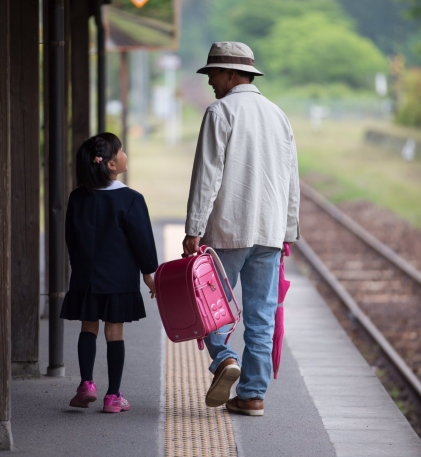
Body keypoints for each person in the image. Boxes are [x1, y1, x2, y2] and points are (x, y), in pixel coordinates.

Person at [183, 42, 299, 417]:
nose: (211, 81)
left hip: (227, 232)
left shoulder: (220, 111)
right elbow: (291, 181)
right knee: (261, 316)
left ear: (232, 74)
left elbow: (207, 176)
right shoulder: (278, 115)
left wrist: (194, 228)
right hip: (269, 233)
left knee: (205, 307)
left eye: (214, 73)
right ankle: (252, 395)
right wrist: (288, 231)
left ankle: (225, 360)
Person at [60, 132, 158, 413]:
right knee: (114, 332)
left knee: (88, 327)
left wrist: (78, 268)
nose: (125, 155)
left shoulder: (78, 198)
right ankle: (113, 396)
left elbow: (71, 237)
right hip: (119, 279)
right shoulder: (130, 199)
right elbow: (142, 241)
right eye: (122, 151)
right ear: (111, 165)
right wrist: (149, 273)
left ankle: (86, 384)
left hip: (87, 277)